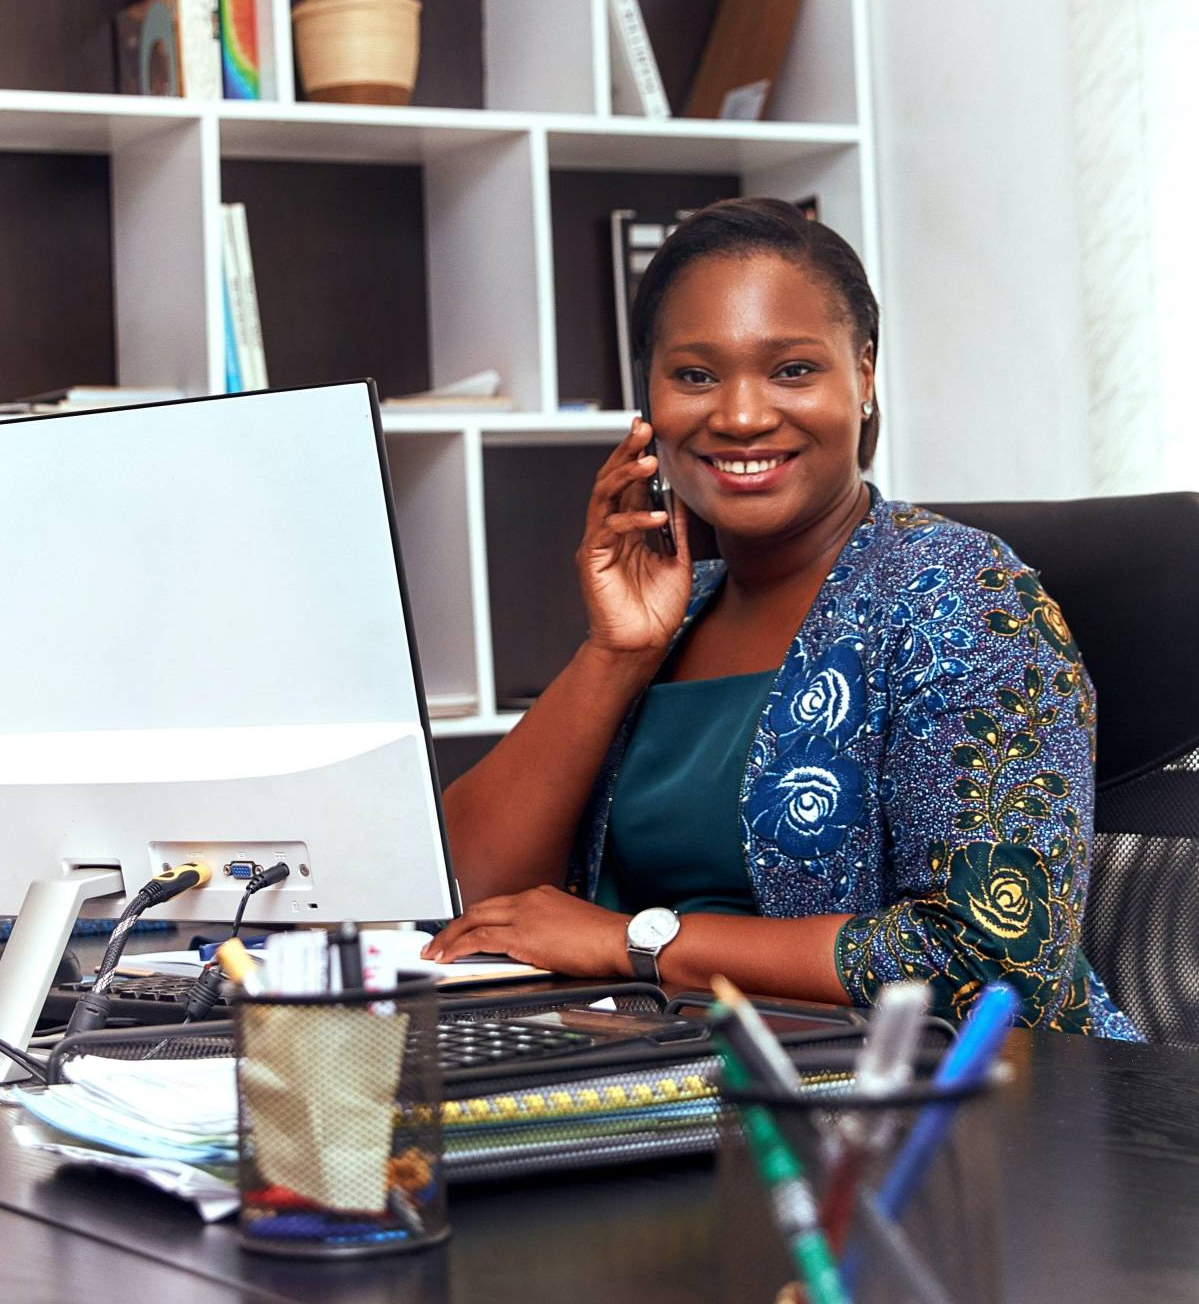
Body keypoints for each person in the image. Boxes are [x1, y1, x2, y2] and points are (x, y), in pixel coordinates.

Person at [427, 198, 1138, 1039]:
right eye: (695, 375)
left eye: (793, 370)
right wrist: (614, 652)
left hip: (934, 1121)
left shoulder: (963, 600)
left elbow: (989, 964)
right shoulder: (676, 609)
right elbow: (462, 902)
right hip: (657, 1082)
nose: (740, 415)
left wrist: (635, 944)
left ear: (864, 377)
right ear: (647, 398)